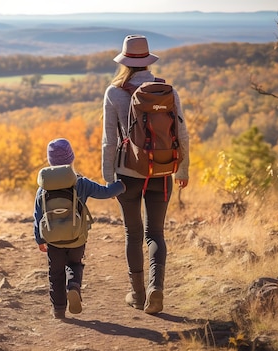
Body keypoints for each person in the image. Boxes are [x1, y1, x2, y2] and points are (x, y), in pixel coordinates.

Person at [101, 35, 190, 314]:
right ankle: (156, 289)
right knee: (156, 234)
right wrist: (182, 170)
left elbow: (109, 140)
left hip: (127, 173)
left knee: (133, 233)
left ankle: (137, 295)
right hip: (162, 171)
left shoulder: (114, 92)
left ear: (125, 62)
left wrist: (108, 178)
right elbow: (182, 133)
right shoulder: (166, 90)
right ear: (148, 61)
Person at [34, 138, 126, 319]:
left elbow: (38, 216)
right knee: (75, 264)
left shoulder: (43, 188)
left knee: (55, 272)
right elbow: (105, 192)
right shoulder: (81, 182)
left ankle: (59, 310)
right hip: (77, 237)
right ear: (71, 158)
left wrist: (39, 239)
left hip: (53, 239)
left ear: (50, 160)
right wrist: (121, 185)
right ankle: (74, 286)